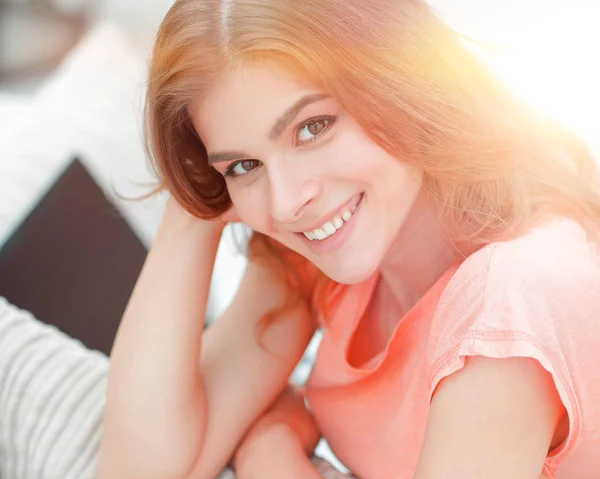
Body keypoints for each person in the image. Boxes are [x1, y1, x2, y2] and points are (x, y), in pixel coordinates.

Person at [96, 0, 600, 478]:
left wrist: (268, 449)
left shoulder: (511, 300)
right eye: (243, 166)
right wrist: (193, 208)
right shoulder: (319, 263)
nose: (286, 202)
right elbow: (141, 466)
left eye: (313, 127)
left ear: (400, 82)